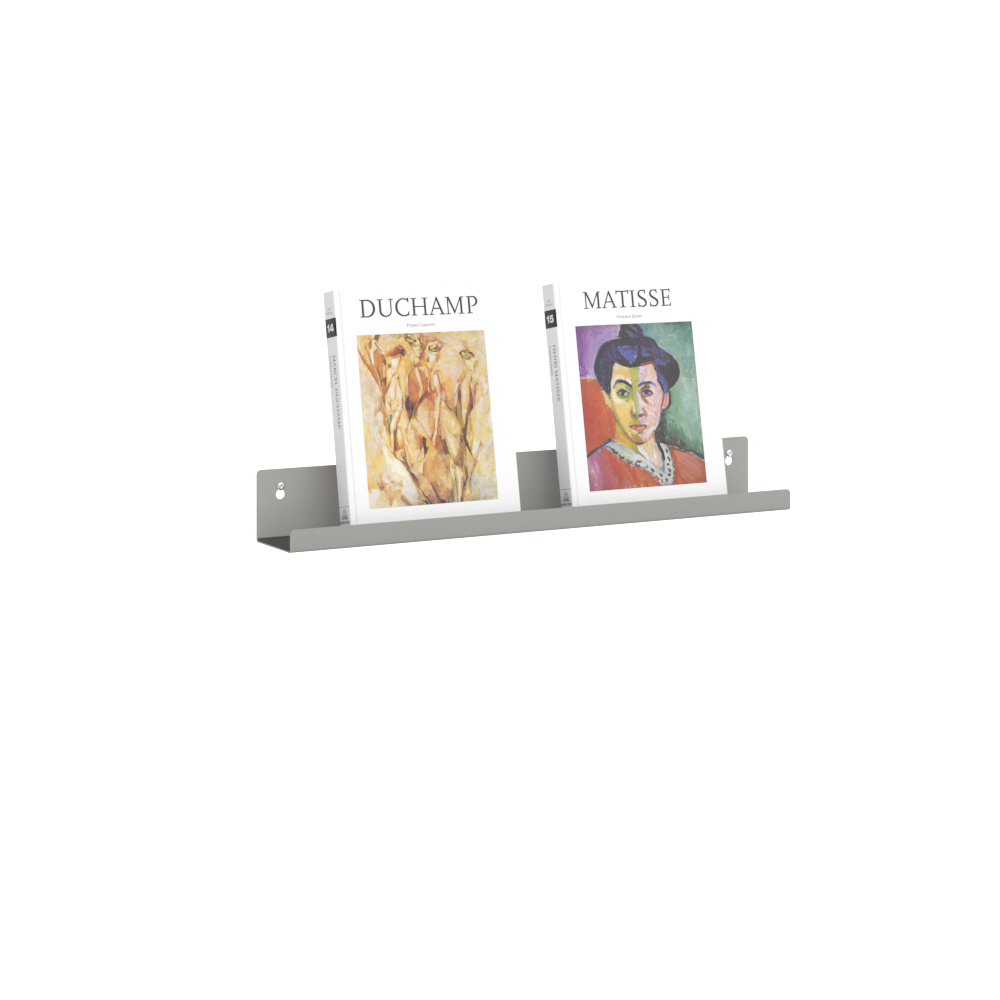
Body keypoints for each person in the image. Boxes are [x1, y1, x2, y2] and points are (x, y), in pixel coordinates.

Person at [587, 325, 706, 490]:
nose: (637, 410)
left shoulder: (696, 467)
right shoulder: (593, 472)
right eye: (623, 392)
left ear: (665, 399)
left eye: (647, 391)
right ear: (608, 398)